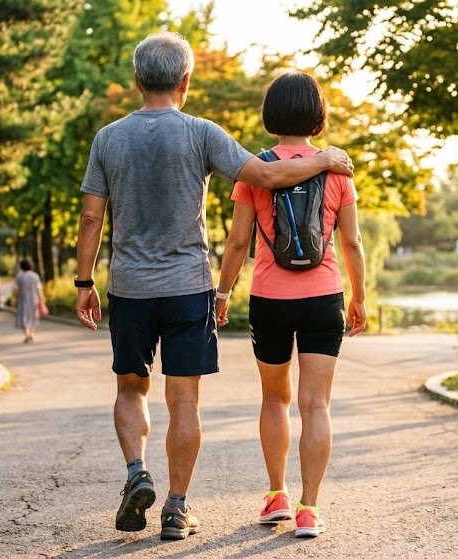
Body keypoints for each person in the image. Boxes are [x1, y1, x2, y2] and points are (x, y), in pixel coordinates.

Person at [73, 31, 354, 541]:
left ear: (137, 81)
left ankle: (137, 472)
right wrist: (326, 160)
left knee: (131, 388)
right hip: (187, 288)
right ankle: (177, 509)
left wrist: (83, 282)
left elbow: (92, 218)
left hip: (131, 287)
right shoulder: (202, 133)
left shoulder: (107, 138)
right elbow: (265, 176)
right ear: (186, 81)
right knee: (185, 402)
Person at [214, 71, 367, 538]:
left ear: (271, 114)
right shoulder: (336, 168)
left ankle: (276, 496)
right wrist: (359, 296)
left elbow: (239, 241)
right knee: (315, 404)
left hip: (269, 298)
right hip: (323, 296)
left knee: (274, 399)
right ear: (317, 115)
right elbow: (353, 242)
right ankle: (309, 509)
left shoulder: (256, 168)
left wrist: (223, 294)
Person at [12, 259, 45, 343]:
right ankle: (31, 334)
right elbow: (39, 289)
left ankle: (26, 335)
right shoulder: (35, 276)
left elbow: (15, 290)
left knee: (23, 316)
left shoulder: (19, 276)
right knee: (32, 316)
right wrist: (42, 300)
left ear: (21, 267)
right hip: (34, 299)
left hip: (22, 299)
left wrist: (14, 299)